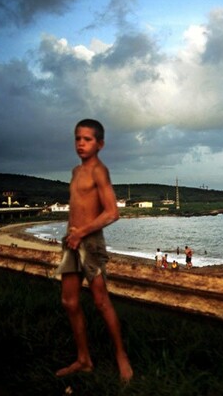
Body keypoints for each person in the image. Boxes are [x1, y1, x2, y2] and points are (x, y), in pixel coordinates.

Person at [55, 119, 133, 382]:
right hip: (72, 241)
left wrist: (82, 232)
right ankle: (84, 359)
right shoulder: (76, 172)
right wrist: (72, 235)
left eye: (87, 139)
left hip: (90, 242)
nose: (80, 143)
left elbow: (112, 212)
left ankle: (121, 355)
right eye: (77, 138)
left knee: (100, 301)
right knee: (70, 301)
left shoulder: (100, 171)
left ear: (100, 144)